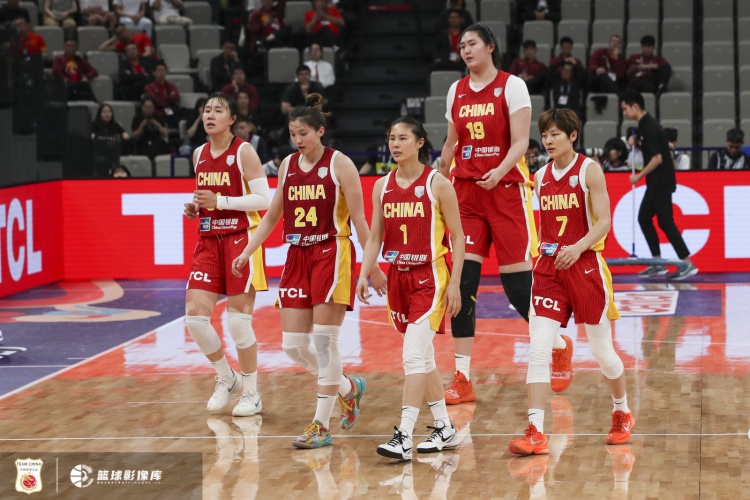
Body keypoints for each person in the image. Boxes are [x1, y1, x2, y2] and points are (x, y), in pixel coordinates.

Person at [231, 93, 386, 448]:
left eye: (303, 133)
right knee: (293, 346)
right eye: (292, 134)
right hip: (297, 255)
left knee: (325, 342)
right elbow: (272, 215)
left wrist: (371, 266)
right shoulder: (288, 165)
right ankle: (348, 387)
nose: (297, 140)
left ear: (319, 131)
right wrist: (248, 250)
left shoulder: (341, 164)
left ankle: (321, 425)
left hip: (332, 252)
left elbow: (361, 221)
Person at [438, 24, 573, 405]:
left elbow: (520, 142)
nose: (466, 50)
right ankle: (462, 377)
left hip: (506, 191)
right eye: (462, 45)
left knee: (517, 288)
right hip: (467, 194)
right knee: (463, 284)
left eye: (472, 44)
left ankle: (558, 344)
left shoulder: (512, 86)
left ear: (490, 47)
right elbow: (451, 143)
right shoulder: (456, 90)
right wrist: (439, 178)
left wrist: (499, 171)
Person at [508, 107, 633, 456]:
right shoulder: (540, 175)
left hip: (585, 266)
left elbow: (604, 221)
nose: (548, 140)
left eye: (555, 134)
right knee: (537, 349)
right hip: (549, 269)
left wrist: (577, 248)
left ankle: (622, 411)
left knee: (602, 352)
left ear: (572, 135)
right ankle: (536, 431)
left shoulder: (589, 170)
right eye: (544, 135)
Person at [356, 117, 465, 460]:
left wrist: (456, 283)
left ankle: (403, 435)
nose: (395, 144)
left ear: (419, 143)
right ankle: (445, 428)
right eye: (392, 138)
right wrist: (364, 272)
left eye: (403, 138)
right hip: (398, 278)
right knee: (424, 358)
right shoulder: (382, 186)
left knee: (413, 356)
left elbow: (459, 237)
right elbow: (375, 236)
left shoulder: (437, 183)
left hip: (430, 276)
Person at [182, 93, 272, 417]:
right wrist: (197, 207)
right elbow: (208, 196)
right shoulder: (198, 154)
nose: (210, 115)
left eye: (218, 110)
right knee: (195, 319)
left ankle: (252, 393)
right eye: (206, 110)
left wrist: (219, 201)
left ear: (232, 119)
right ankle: (226, 376)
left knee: (238, 323)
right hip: (208, 240)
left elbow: (264, 199)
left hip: (240, 239)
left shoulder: (243, 151)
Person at [621, 89, 698, 280]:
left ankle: (688, 264)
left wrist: (638, 177)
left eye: (625, 109)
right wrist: (637, 144)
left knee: (665, 222)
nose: (624, 113)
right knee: (644, 218)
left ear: (635, 106)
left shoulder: (649, 126)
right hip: (656, 182)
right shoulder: (645, 125)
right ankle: (658, 262)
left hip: (660, 181)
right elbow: (652, 151)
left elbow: (657, 158)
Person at [92, 103, 130, 174]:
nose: (107, 114)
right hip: (99, 155)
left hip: (114, 154)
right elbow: (92, 137)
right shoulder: (94, 125)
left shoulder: (115, 125)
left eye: (109, 112)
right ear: (100, 114)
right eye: (104, 112)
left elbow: (126, 136)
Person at [131, 95, 168, 160]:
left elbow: (165, 133)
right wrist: (142, 125)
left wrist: (157, 124)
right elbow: (135, 135)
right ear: (142, 107)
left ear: (154, 107)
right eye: (146, 107)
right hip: (142, 141)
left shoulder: (158, 117)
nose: (148, 109)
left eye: (150, 107)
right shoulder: (137, 118)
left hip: (156, 141)